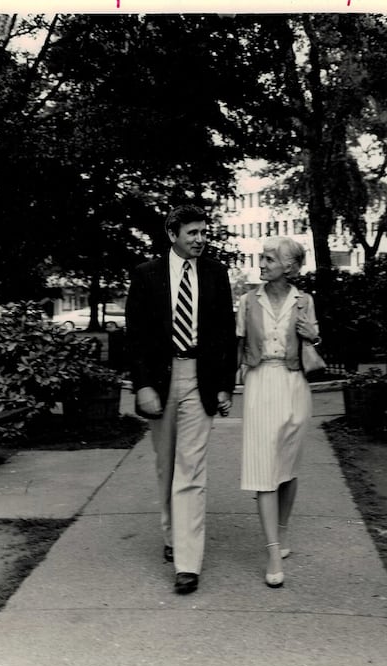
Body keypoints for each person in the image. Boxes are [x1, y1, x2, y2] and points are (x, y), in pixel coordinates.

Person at [125, 205, 236, 595]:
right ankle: (172, 536)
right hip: (160, 379)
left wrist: (225, 384)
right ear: (172, 234)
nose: (201, 238)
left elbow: (227, 332)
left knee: (192, 470)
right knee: (166, 465)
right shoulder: (146, 275)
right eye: (192, 232)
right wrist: (142, 385)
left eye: (204, 232)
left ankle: (188, 563)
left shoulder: (216, 274)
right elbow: (135, 336)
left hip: (198, 380)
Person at [236, 236, 321, 588]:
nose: (263, 263)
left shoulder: (304, 301)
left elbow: (312, 341)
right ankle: (272, 552)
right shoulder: (246, 301)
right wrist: (228, 388)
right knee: (262, 471)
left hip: (294, 385)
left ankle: (282, 534)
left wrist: (313, 334)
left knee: (287, 468)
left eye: (270, 258)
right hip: (260, 383)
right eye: (263, 257)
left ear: (290, 266)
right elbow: (238, 346)